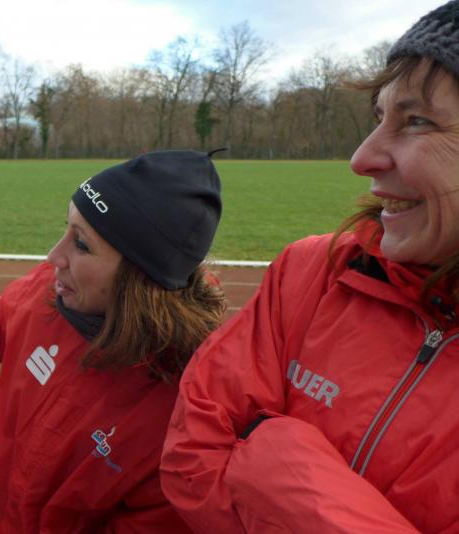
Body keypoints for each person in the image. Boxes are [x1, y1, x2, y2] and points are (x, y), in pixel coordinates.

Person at [161, 3, 459, 532]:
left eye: (417, 120)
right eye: (379, 118)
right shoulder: (311, 273)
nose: (361, 158)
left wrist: (279, 462)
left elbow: (241, 459)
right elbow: (195, 454)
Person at [0, 150, 227, 532]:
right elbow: (2, 320)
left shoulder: (181, 413)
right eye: (66, 229)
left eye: (81, 244)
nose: (53, 256)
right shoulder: (57, 290)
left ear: (141, 277)